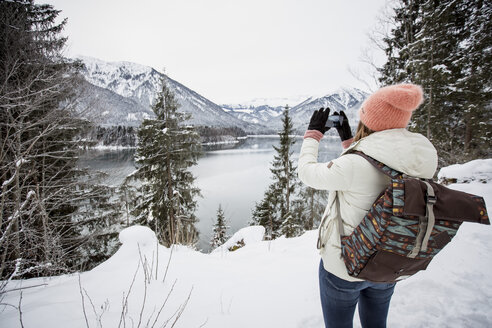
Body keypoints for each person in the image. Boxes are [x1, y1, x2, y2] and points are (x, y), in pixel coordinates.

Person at [298, 84, 438, 328]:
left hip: (345, 265)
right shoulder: (424, 157)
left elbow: (307, 172)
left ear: (370, 121)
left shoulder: (353, 165)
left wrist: (313, 135)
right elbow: (379, 163)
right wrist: (349, 141)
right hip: (389, 259)